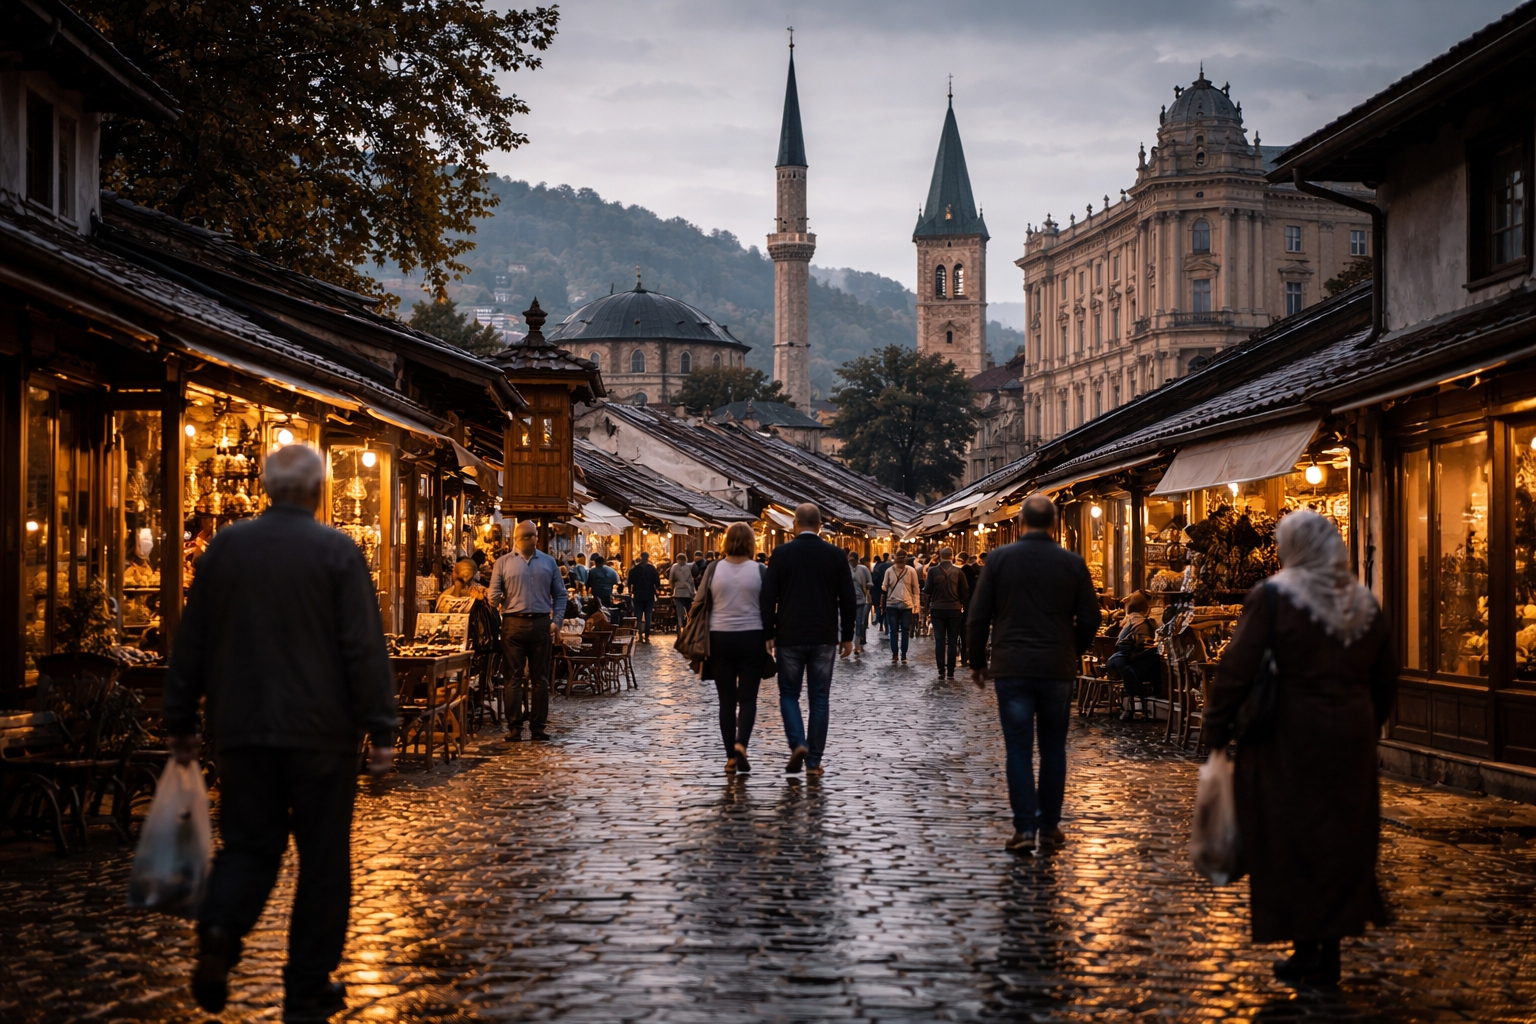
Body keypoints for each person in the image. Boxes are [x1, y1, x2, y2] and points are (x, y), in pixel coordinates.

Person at [163, 444, 396, 1021]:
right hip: (323, 734)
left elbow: (192, 638)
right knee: (322, 859)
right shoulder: (336, 551)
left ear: (266, 488)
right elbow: (362, 645)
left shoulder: (225, 549)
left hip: (242, 729)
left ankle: (220, 930)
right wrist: (383, 729)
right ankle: (307, 982)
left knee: (249, 845)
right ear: (317, 492)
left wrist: (180, 720)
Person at [1205, 510, 1396, 986]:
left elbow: (1236, 669)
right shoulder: (1365, 603)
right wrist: (1365, 721)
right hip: (1350, 735)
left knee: (1289, 835)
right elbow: (1386, 677)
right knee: (1340, 838)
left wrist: (1215, 729)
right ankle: (1327, 948)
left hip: (1287, 737)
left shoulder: (1274, 597)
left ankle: (1305, 943)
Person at [968, 493, 1099, 855]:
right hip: (1057, 668)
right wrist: (1073, 651)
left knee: (1019, 749)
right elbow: (1091, 617)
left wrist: (976, 661)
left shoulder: (998, 560)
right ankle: (1050, 827)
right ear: (1055, 524)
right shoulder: (1072, 562)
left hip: (1012, 667)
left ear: (1020, 523)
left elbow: (978, 616)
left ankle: (1024, 828)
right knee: (1054, 749)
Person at [761, 503, 856, 776]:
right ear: (820, 526)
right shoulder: (837, 555)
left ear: (794, 524)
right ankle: (813, 762)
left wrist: (769, 633)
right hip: (824, 635)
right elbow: (848, 598)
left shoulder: (780, 554)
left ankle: (798, 743)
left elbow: (768, 597)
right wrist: (847, 636)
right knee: (820, 698)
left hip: (789, 634)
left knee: (789, 694)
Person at [690, 523, 769, 774]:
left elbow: (699, 602)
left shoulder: (714, 568)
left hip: (719, 638)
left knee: (726, 700)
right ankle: (741, 745)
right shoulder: (760, 570)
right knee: (748, 699)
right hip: (752, 638)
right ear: (751, 543)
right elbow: (769, 606)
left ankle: (730, 757)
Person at [488, 520, 568, 742]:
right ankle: (514, 725)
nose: (534, 539)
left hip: (542, 623)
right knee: (513, 677)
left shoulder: (549, 563)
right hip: (513, 623)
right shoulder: (502, 563)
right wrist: (501, 597)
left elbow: (561, 595)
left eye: (534, 535)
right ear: (519, 538)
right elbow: (492, 594)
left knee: (540, 677)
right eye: (530, 535)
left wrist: (557, 621)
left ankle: (538, 726)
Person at [1106, 591, 1160, 719]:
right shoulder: (1140, 622)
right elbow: (1141, 644)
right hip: (1132, 660)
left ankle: (1133, 702)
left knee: (1127, 668)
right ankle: (1136, 699)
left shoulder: (1134, 622)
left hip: (1131, 660)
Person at [924, 546, 970, 680]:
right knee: (952, 641)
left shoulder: (932, 571)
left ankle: (941, 670)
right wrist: (960, 602)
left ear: (940, 555)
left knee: (939, 640)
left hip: (937, 609)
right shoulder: (959, 571)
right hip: (954, 609)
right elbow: (965, 591)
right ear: (952, 556)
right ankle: (951, 670)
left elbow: (927, 590)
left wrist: (927, 607)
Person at [882, 551, 919, 663]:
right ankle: (903, 655)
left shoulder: (889, 571)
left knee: (893, 631)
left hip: (891, 604)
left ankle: (895, 655)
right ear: (906, 559)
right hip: (907, 604)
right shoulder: (911, 571)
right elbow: (916, 589)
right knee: (905, 630)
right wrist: (916, 606)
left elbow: (884, 588)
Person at [628, 551, 661, 642]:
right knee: (648, 615)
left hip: (638, 594)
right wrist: (658, 591)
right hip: (649, 594)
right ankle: (646, 634)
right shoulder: (652, 569)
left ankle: (639, 634)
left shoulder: (635, 569)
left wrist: (630, 592)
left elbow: (629, 582)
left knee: (638, 616)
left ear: (641, 557)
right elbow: (657, 583)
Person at [849, 551, 872, 656]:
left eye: (852, 560)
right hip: (848, 600)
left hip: (860, 599)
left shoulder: (863, 569)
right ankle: (848, 642)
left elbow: (870, 582)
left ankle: (857, 644)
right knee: (849, 623)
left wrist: (866, 586)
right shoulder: (845, 569)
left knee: (859, 622)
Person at [669, 553, 696, 633]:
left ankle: (680, 627)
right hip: (689, 592)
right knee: (689, 611)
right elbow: (694, 577)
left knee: (680, 612)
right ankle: (690, 627)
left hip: (678, 592)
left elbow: (671, 580)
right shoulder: (690, 566)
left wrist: (672, 589)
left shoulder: (674, 567)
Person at [871, 553, 890, 635]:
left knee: (880, 607)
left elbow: (874, 579)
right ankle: (885, 625)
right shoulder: (888, 567)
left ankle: (881, 624)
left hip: (879, 591)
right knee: (886, 608)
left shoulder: (878, 567)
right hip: (888, 591)